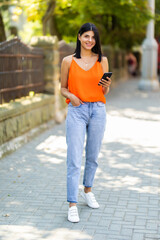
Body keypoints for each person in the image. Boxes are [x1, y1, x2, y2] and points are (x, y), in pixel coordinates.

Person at [61, 22, 112, 223]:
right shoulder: (68, 61)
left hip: (98, 110)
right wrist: (71, 96)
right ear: (79, 37)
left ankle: (88, 190)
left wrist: (107, 86)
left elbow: (104, 91)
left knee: (93, 155)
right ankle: (72, 204)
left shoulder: (103, 60)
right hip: (77, 110)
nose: (90, 40)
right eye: (86, 36)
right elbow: (62, 88)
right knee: (74, 157)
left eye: (93, 37)